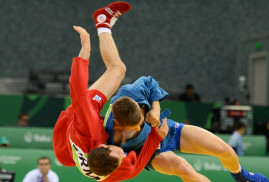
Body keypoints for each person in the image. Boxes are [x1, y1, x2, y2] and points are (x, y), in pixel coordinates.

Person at [53, 2, 168, 182]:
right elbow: (136, 167)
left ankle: (102, 21)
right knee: (118, 69)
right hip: (65, 154)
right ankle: (103, 22)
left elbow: (77, 91)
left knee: (117, 69)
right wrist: (156, 135)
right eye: (122, 157)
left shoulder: (88, 127)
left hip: (73, 126)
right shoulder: (118, 168)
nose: (123, 153)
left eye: (117, 152)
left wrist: (84, 51)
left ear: (105, 147)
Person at [93, 76, 269, 182]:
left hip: (169, 129)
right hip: (152, 153)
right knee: (185, 170)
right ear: (119, 124)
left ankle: (241, 175)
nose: (144, 125)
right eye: (136, 126)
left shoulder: (129, 92)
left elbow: (150, 82)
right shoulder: (108, 143)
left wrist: (155, 108)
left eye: (142, 119)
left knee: (225, 151)